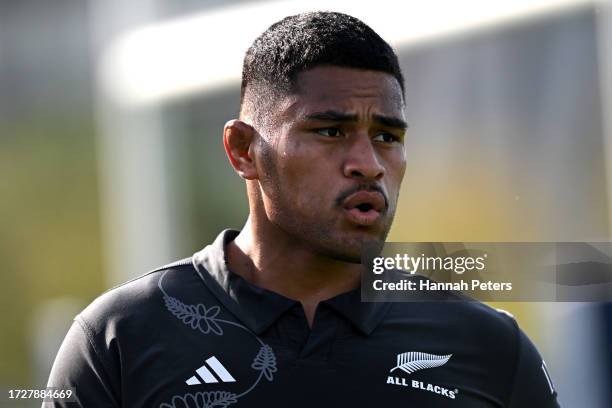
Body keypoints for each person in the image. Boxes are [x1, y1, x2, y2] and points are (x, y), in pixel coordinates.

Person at [46, 11, 560, 407]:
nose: (368, 164)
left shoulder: (489, 347)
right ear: (244, 150)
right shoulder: (119, 339)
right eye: (330, 131)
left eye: (386, 136)